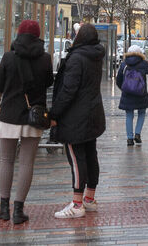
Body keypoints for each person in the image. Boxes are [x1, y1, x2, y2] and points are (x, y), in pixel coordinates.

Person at [0, 20, 53, 224]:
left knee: (5, 161)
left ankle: (3, 209)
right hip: (32, 117)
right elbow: (48, 83)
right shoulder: (45, 59)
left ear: (18, 34)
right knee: (27, 162)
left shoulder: (8, 57)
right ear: (38, 36)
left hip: (9, 115)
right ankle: (18, 210)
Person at [49, 24, 106, 219]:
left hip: (75, 118)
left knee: (76, 158)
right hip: (92, 114)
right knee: (90, 155)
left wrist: (54, 114)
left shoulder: (77, 58)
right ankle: (89, 199)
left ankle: (77, 204)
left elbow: (68, 91)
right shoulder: (95, 55)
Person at [116, 44, 148, 146]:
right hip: (140, 94)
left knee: (129, 115)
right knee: (141, 113)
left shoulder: (124, 64)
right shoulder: (142, 63)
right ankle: (137, 134)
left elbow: (118, 80)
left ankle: (129, 139)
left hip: (127, 94)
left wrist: (124, 89)